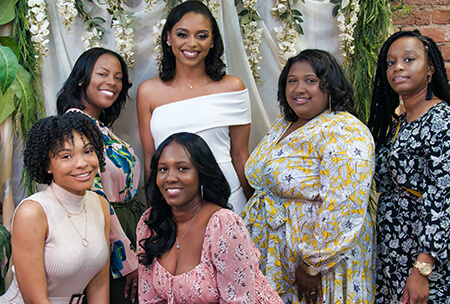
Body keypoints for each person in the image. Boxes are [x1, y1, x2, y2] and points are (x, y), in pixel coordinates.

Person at [243, 49, 376, 303]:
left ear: (330, 86)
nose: (298, 88)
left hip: (320, 265)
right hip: (278, 256)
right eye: (292, 81)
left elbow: (344, 205)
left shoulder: (344, 130)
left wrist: (313, 265)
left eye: (310, 80)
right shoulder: (284, 123)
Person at [136, 132, 283, 303]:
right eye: (163, 169)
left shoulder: (223, 224)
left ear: (202, 174)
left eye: (182, 168)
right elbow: (149, 299)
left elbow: (238, 300)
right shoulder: (150, 224)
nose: (170, 178)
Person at [136, 0, 252, 214]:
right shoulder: (148, 92)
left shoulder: (232, 87)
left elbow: (240, 156)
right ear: (168, 38)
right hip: (172, 202)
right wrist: (154, 212)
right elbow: (151, 160)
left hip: (228, 200)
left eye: (201, 35)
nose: (192, 43)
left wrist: (253, 208)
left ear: (212, 41)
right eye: (182, 34)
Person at [57, 47, 146, 303]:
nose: (113, 83)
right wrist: (126, 260)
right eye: (103, 74)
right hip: (109, 238)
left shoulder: (98, 127)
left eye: (118, 78)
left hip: (129, 230)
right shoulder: (76, 127)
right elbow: (94, 196)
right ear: (82, 78)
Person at [368, 30, 450, 303]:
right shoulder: (398, 122)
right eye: (391, 63)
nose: (398, 67)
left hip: (426, 252)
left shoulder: (441, 120)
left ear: (430, 69)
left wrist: (423, 268)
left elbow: (444, 198)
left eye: (409, 59)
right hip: (394, 249)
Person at [0, 111, 110, 303]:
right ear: (47, 165)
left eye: (88, 151)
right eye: (66, 156)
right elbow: (35, 300)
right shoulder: (33, 211)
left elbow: (99, 285)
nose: (82, 163)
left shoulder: (99, 203)